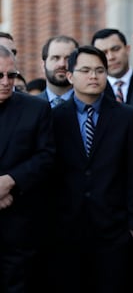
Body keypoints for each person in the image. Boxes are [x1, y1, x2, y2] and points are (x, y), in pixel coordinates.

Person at [49, 45, 133, 292]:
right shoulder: (53, 118)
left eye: (99, 70)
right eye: (86, 70)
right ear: (70, 76)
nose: (94, 76)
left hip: (114, 231)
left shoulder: (128, 117)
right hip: (65, 231)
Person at [0, 45, 55, 292]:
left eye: (11, 75)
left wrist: (11, 181)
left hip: (19, 222)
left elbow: (47, 156)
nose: (6, 82)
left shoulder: (36, 109)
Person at [92, 28, 133, 105]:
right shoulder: (94, 92)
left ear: (127, 49)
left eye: (115, 49)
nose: (111, 57)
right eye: (103, 53)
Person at [40, 35, 79, 107]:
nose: (62, 64)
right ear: (43, 65)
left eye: (68, 58)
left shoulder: (89, 105)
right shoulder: (30, 106)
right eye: (55, 58)